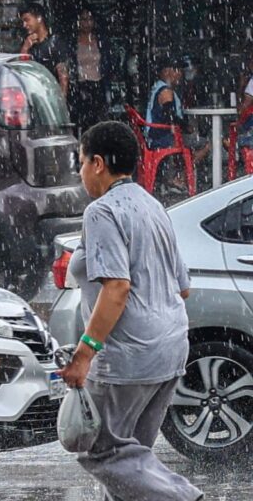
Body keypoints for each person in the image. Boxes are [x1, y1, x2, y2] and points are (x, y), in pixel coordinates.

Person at [57, 121, 204, 501]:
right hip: (169, 348)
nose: (81, 172)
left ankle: (184, 497)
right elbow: (183, 286)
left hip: (128, 357)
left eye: (82, 162)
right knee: (133, 462)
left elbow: (117, 288)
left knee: (102, 451)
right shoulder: (153, 206)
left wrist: (84, 354)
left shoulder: (101, 212)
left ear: (98, 164)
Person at [145, 55, 211, 192]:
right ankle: (179, 176)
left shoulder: (157, 87)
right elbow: (170, 117)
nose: (180, 74)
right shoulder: (166, 92)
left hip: (156, 136)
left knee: (192, 142)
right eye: (177, 70)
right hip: (164, 137)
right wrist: (186, 127)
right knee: (207, 144)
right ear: (166, 72)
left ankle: (177, 175)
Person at [70, 8, 109, 134]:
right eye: (84, 19)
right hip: (81, 85)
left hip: (98, 84)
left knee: (98, 123)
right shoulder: (74, 41)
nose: (87, 23)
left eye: (90, 19)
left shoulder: (100, 40)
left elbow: (107, 62)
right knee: (83, 122)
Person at [19, 3, 69, 96]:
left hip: (50, 94)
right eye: (23, 22)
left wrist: (62, 98)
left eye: (27, 20)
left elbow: (63, 76)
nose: (24, 25)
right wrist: (25, 48)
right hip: (33, 93)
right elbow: (22, 69)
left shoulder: (55, 42)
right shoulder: (28, 43)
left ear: (39, 18)